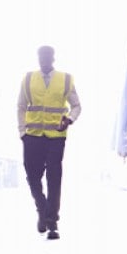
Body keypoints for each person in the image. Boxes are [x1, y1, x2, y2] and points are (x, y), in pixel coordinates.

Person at [18, 45, 81, 240]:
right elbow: (21, 106)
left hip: (55, 136)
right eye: (40, 56)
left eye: (47, 56)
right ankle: (42, 208)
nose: (43, 59)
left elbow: (76, 106)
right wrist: (22, 132)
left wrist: (69, 119)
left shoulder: (65, 79)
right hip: (32, 136)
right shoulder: (28, 79)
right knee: (32, 175)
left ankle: (52, 222)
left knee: (54, 178)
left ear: (53, 58)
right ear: (37, 58)